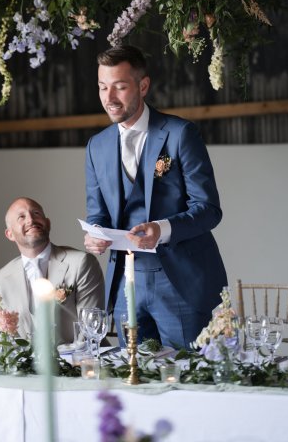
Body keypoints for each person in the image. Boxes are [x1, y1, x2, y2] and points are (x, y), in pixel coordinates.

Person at [84, 45, 227, 349]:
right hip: (125, 282)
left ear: (143, 85)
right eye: (102, 87)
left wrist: (162, 229)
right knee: (135, 379)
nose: (109, 98)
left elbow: (208, 209)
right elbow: (98, 213)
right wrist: (95, 235)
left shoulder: (180, 133)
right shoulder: (96, 146)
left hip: (179, 281)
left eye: (120, 87)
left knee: (189, 378)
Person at [0, 197, 105, 345]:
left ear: (48, 223)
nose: (31, 220)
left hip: (78, 361)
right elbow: (6, 339)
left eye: (36, 213)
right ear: (10, 234)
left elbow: (90, 331)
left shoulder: (81, 263)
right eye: (21, 217)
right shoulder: (0, 279)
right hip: (27, 364)